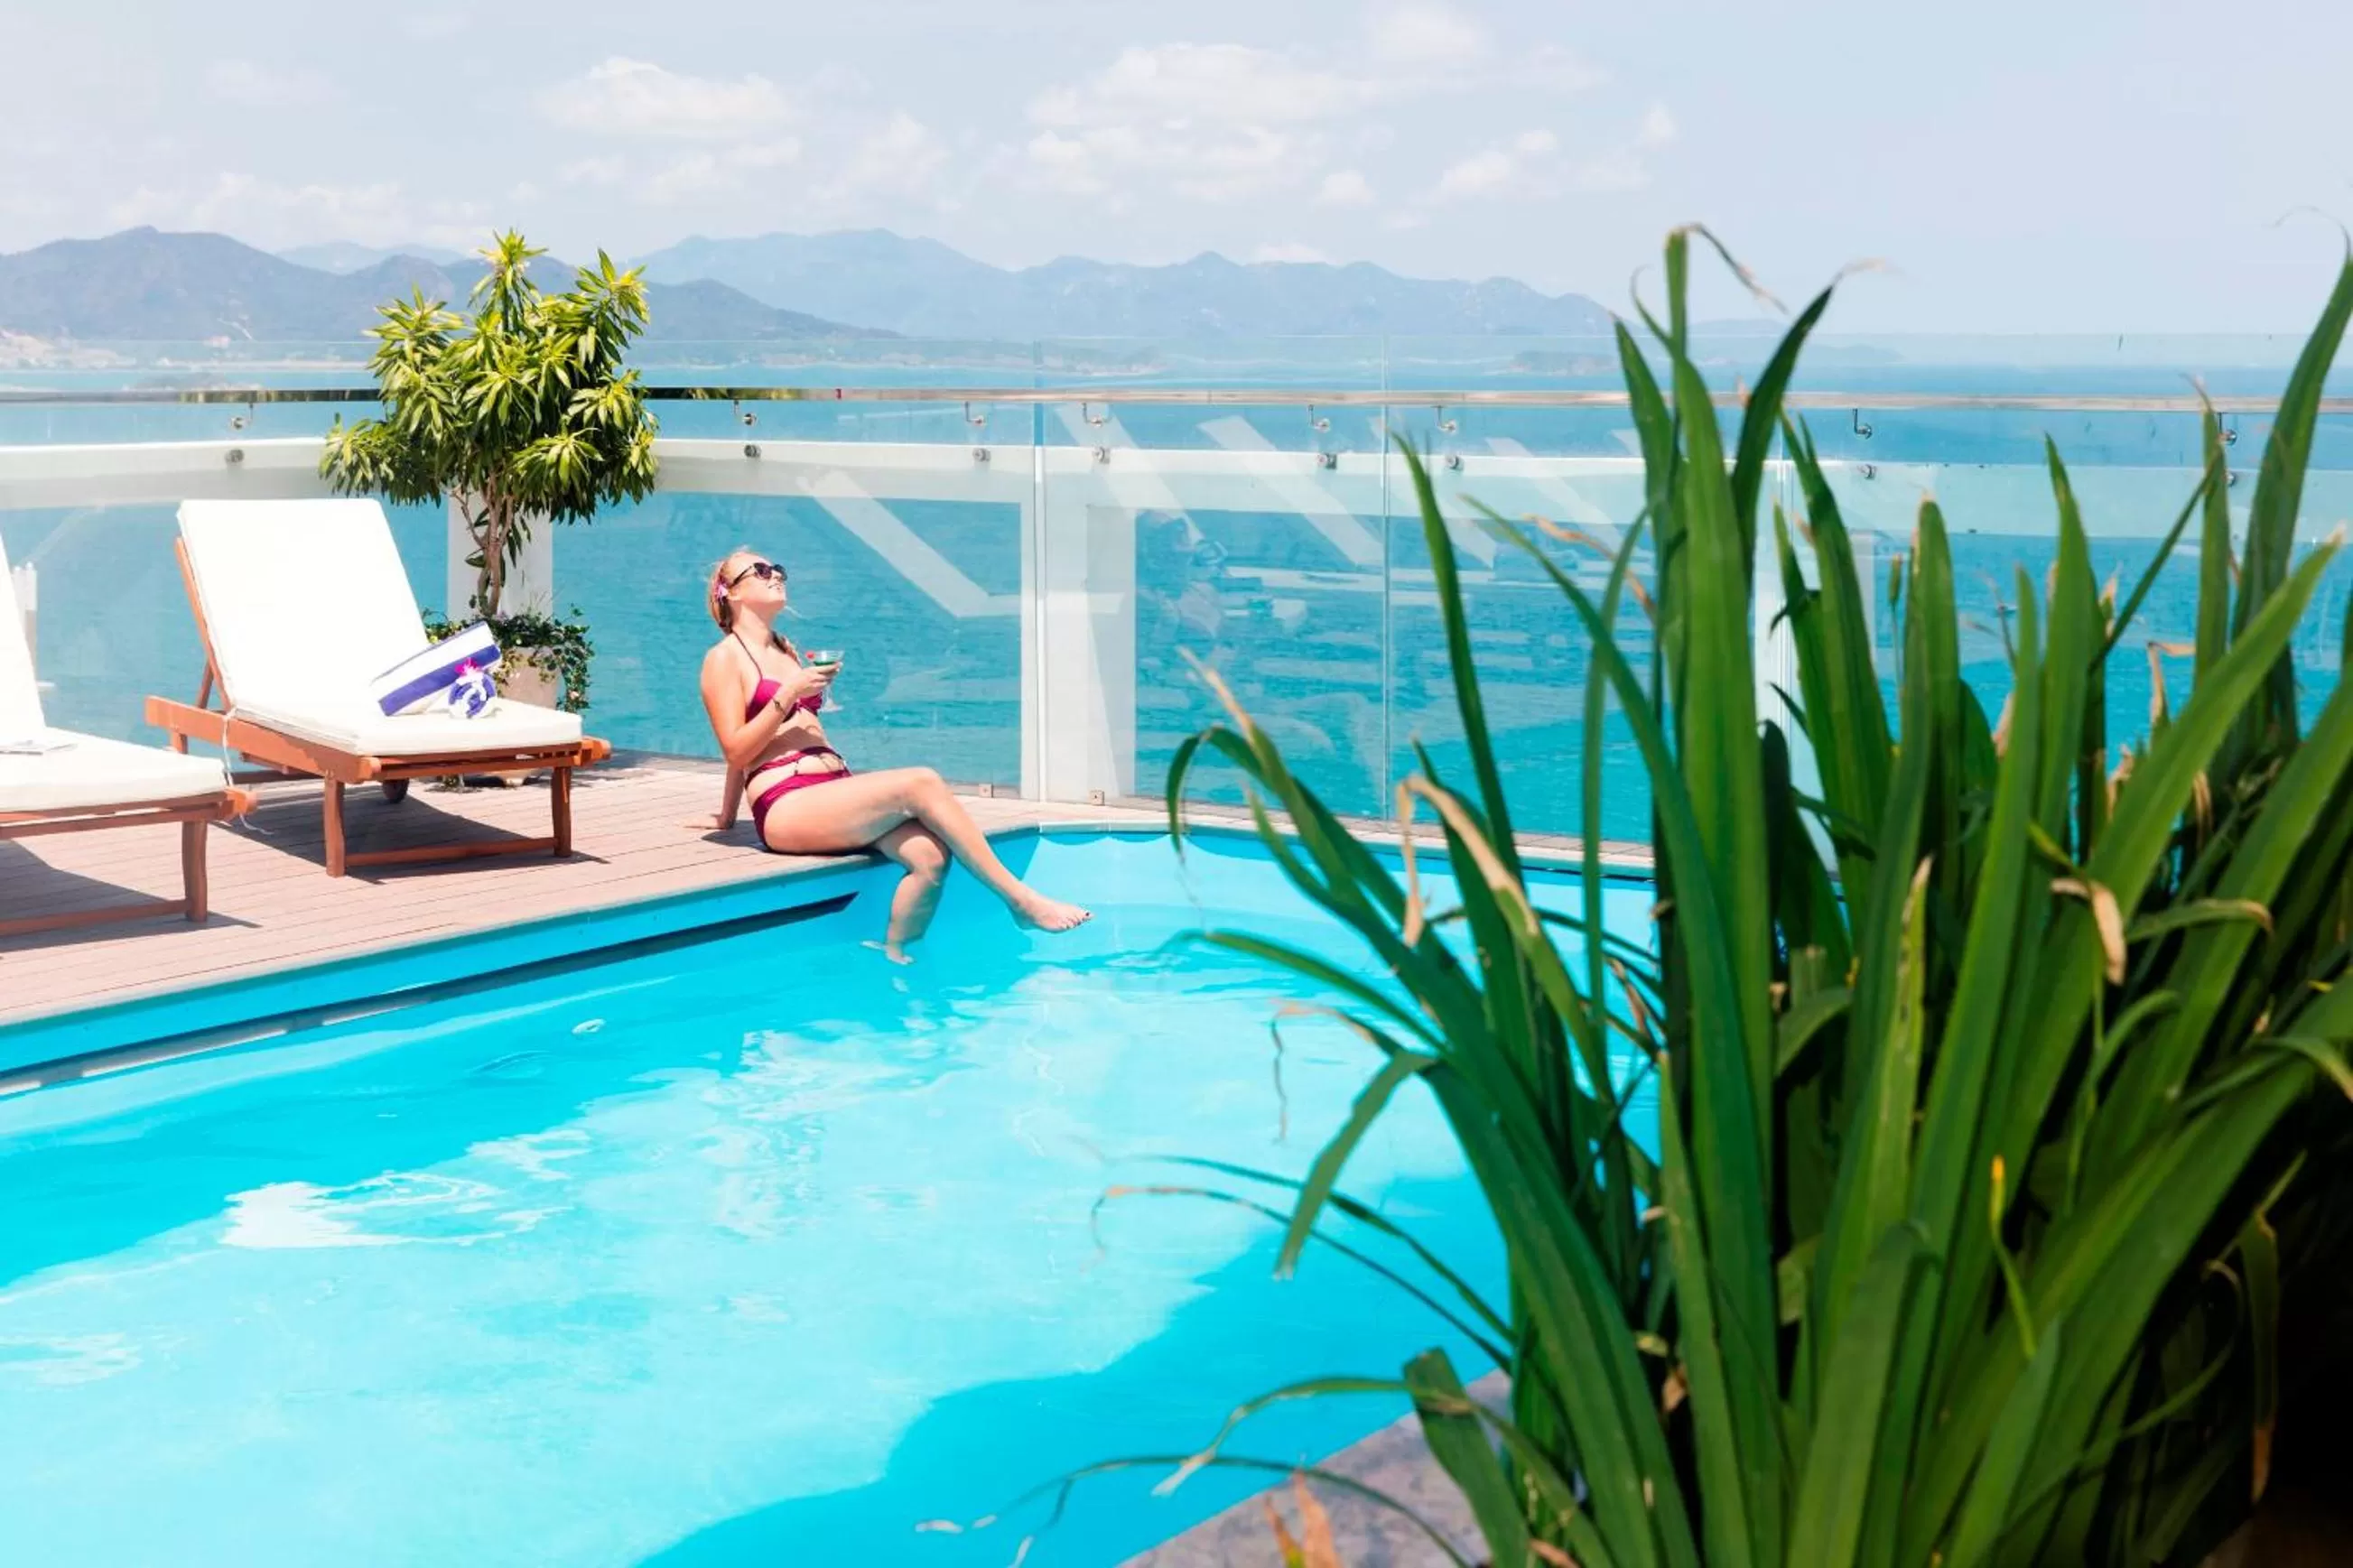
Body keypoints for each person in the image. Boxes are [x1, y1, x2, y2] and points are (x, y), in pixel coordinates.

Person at [695, 547, 1089, 961]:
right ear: (731, 592)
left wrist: (726, 816)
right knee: (921, 782)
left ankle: (897, 955)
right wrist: (792, 692)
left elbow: (767, 736)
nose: (775, 574)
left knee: (930, 857)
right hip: (787, 804)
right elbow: (736, 750)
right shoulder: (723, 660)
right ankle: (1021, 901)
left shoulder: (785, 650)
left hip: (830, 789)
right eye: (760, 571)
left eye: (777, 568)